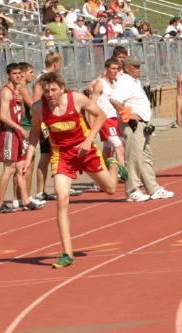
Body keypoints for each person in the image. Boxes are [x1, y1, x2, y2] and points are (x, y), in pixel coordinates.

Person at [23, 72, 123, 268]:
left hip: (84, 150)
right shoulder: (38, 108)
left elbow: (101, 116)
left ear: (62, 89)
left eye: (53, 90)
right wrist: (29, 157)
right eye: (46, 91)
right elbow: (35, 132)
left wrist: (88, 140)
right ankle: (67, 253)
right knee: (62, 198)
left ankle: (113, 164)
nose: (49, 94)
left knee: (110, 189)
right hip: (62, 155)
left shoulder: (76, 99)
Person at [110, 55, 174, 201]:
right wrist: (129, 114)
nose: (139, 69)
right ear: (127, 68)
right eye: (136, 66)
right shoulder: (125, 81)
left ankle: (153, 189)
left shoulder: (133, 81)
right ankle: (132, 190)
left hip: (142, 124)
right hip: (133, 125)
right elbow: (114, 99)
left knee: (145, 157)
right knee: (133, 158)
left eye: (139, 66)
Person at [0, 63, 43, 213]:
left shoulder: (17, 92)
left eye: (19, 73)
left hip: (17, 132)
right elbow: (3, 116)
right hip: (9, 132)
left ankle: (25, 200)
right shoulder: (6, 92)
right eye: (14, 73)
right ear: (9, 75)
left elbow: (20, 112)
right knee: (8, 169)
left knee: (22, 167)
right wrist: (20, 128)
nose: (17, 76)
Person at [88, 58, 126, 183]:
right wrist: (92, 124)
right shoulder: (100, 83)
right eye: (112, 69)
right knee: (119, 148)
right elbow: (91, 104)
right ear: (106, 70)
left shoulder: (115, 84)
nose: (115, 71)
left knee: (107, 150)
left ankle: (102, 178)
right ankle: (125, 176)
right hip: (105, 120)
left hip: (116, 119)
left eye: (117, 69)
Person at [33, 51, 63, 202]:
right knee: (46, 155)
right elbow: (36, 101)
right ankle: (40, 191)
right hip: (46, 121)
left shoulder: (53, 78)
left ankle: (59, 184)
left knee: (53, 153)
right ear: (56, 64)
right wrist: (43, 123)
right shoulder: (42, 79)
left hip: (55, 119)